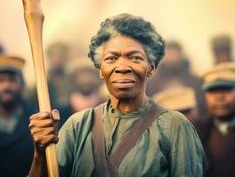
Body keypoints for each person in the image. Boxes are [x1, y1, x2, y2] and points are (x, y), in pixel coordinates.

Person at [28, 13, 206, 177]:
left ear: (151, 67)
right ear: (100, 70)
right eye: (111, 58)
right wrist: (40, 153)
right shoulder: (78, 126)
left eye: (135, 58)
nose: (122, 67)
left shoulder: (175, 126)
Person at [194, 62, 235, 177]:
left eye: (226, 90)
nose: (219, 97)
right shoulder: (196, 132)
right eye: (212, 91)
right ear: (205, 96)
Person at [146, 40, 206, 116]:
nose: (172, 57)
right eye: (169, 53)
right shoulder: (152, 83)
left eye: (174, 53)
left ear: (181, 55)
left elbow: (202, 107)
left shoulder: (195, 81)